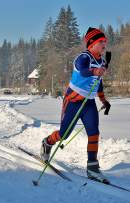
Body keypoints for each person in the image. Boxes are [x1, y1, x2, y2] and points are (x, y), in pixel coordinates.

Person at [40, 27, 111, 182]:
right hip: (73, 100)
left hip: (89, 103)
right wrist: (95, 71)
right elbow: (83, 70)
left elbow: (98, 83)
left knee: (94, 133)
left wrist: (104, 100)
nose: (104, 44)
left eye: (105, 41)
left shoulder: (102, 61)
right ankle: (47, 142)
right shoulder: (83, 57)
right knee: (64, 134)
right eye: (101, 41)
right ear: (91, 44)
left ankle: (92, 167)